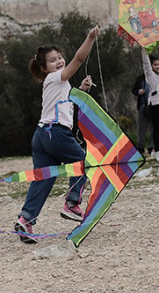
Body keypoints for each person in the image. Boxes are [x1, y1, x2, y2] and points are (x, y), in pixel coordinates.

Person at [14, 26, 100, 244]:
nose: (59, 61)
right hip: (56, 133)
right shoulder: (54, 78)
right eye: (53, 60)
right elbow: (79, 60)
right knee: (83, 162)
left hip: (42, 135)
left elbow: (66, 103)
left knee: (43, 178)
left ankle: (26, 220)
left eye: (60, 57)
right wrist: (89, 37)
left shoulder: (57, 83)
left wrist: (81, 88)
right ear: (44, 68)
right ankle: (72, 204)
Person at [132, 73, 153, 156]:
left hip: (155, 106)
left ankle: (151, 147)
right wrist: (138, 92)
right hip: (142, 106)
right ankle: (140, 147)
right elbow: (134, 90)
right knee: (141, 128)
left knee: (154, 127)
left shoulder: (158, 77)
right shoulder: (140, 78)